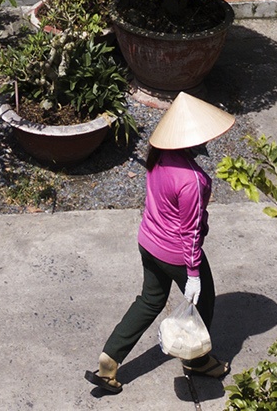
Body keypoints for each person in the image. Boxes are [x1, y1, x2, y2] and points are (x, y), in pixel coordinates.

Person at [87, 92, 235, 394]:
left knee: (150, 300)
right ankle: (198, 361)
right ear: (191, 140)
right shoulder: (193, 180)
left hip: (148, 242)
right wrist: (193, 274)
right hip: (176, 254)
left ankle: (109, 361)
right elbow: (190, 231)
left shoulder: (159, 155)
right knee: (204, 302)